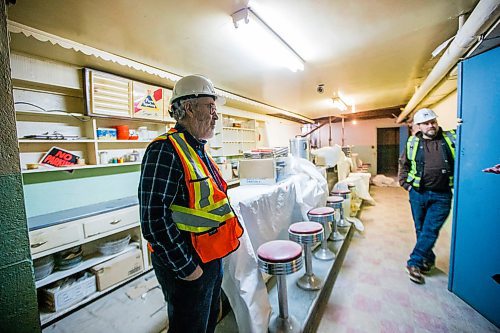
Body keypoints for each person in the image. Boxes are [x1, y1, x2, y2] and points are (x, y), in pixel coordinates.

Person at [139, 74, 244, 332]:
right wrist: (189, 269)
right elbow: (153, 220)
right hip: (186, 265)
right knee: (189, 327)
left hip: (208, 258)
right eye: (210, 107)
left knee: (207, 322)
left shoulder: (197, 149)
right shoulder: (164, 149)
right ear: (188, 107)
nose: (215, 115)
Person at [399, 108, 456, 284]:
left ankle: (414, 262)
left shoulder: (451, 138)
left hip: (442, 195)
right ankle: (428, 260)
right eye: (426, 123)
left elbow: (472, 132)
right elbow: (404, 164)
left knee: (430, 230)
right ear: (419, 126)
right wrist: (406, 185)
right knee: (421, 229)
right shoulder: (412, 143)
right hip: (418, 193)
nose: (431, 125)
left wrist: (465, 123)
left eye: (433, 121)